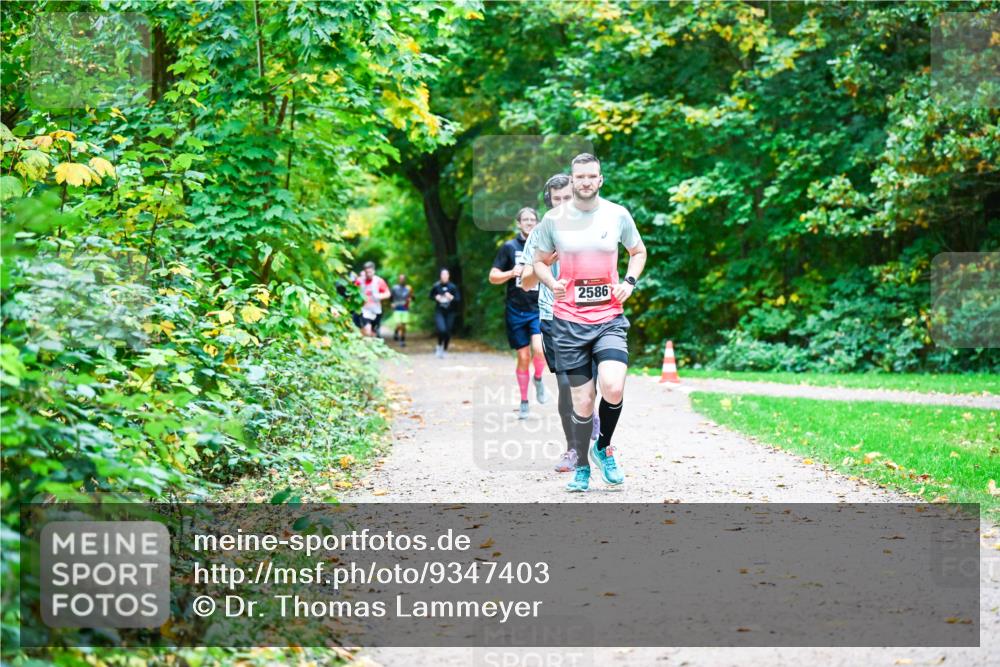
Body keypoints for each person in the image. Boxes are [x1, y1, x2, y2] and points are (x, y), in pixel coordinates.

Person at [532, 153, 647, 492]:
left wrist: (629, 282)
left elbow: (638, 251)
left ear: (600, 179)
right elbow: (539, 262)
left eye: (591, 176)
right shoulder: (553, 219)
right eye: (579, 176)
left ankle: (603, 448)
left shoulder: (617, 214)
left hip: (609, 318)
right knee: (582, 400)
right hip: (568, 323)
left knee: (613, 386)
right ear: (572, 180)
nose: (585, 181)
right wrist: (551, 282)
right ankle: (582, 465)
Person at [518, 174, 600, 472]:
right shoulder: (540, 233)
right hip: (553, 318)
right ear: (549, 202)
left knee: (587, 384)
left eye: (568, 197)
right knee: (566, 385)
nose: (564, 203)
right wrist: (545, 265)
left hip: (591, 316)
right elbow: (526, 283)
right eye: (557, 199)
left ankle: (591, 417)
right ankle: (573, 450)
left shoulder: (594, 227)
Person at [489, 207, 548, 420]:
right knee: (523, 357)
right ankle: (524, 401)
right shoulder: (509, 247)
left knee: (539, 350)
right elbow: (493, 277)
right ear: (518, 223)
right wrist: (510, 273)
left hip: (538, 308)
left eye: (533, 219)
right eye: (525, 219)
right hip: (515, 310)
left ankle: (538, 378)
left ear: (537, 223)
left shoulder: (544, 245)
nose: (529, 222)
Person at [354, 261, 391, 338]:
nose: (368, 274)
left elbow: (388, 294)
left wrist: (379, 296)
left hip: (376, 310)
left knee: (373, 334)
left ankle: (370, 343)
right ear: (364, 271)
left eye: (370, 272)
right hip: (364, 309)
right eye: (366, 272)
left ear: (374, 271)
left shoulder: (379, 281)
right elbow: (353, 292)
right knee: (367, 331)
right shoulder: (359, 281)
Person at [430, 268, 460, 358]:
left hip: (450, 312)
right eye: (442, 275)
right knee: (442, 330)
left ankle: (445, 349)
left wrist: (451, 297)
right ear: (440, 276)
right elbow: (430, 296)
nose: (444, 276)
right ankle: (439, 346)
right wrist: (436, 297)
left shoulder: (452, 287)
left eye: (446, 275)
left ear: (448, 276)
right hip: (439, 311)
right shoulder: (436, 286)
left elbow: (458, 299)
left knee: (448, 331)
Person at [390, 274, 412, 347]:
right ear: (399, 280)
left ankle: (402, 340)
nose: (402, 280)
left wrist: (410, 300)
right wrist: (392, 303)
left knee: (404, 326)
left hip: (405, 308)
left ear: (405, 280)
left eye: (403, 279)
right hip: (397, 308)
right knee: (399, 325)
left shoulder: (408, 288)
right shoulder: (394, 288)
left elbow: (412, 297)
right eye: (400, 278)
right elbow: (391, 297)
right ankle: (396, 331)